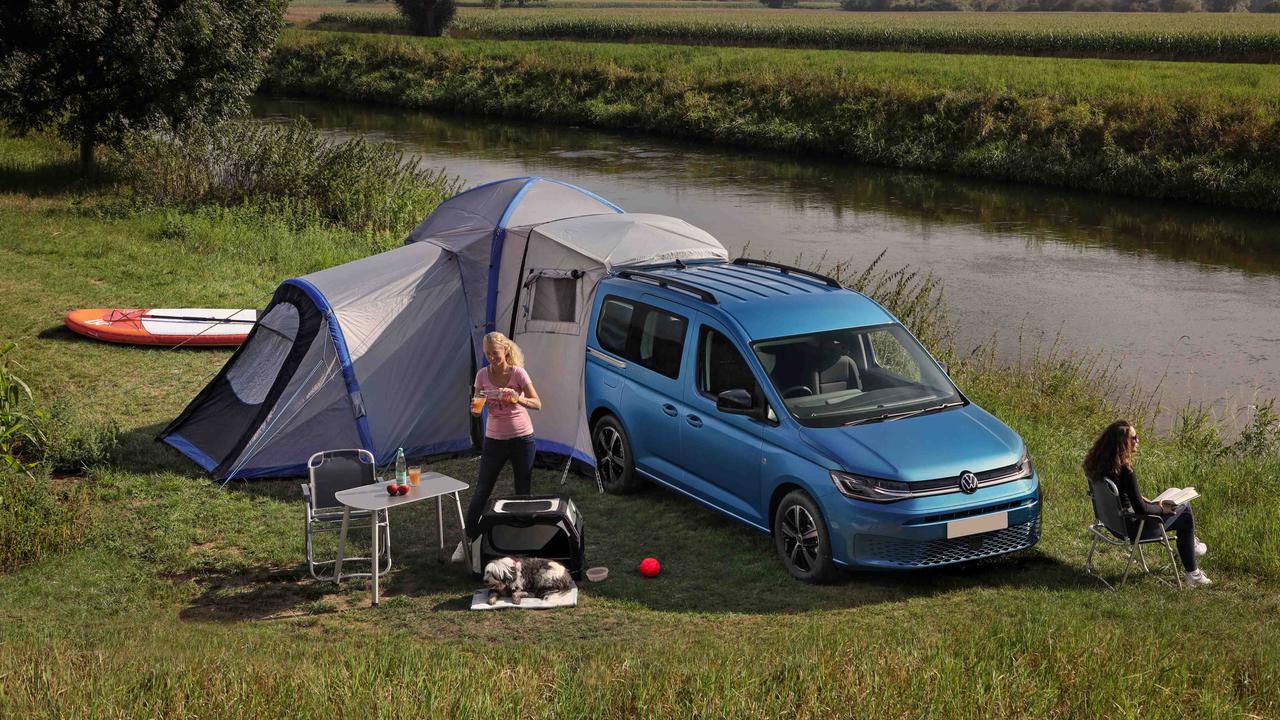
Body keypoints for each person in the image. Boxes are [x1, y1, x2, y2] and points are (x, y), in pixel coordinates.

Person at [1083, 420, 1211, 587]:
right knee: (1185, 511)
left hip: (1112, 523)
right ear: (1122, 443)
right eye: (1134, 438)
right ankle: (1193, 572)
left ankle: (1191, 544)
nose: (1138, 441)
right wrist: (1161, 508)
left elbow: (1123, 496)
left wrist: (1152, 502)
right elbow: (1141, 509)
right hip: (1134, 529)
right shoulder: (1125, 471)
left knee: (1173, 490)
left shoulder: (1098, 465)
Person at [452, 331, 542, 562]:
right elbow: (477, 406)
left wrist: (516, 398)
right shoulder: (482, 375)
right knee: (483, 488)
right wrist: (475, 409)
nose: (492, 357)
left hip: (522, 438)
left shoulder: (518, 373)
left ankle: (524, 538)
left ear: (506, 351)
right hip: (494, 439)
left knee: (523, 490)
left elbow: (537, 403)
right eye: (488, 354)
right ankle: (468, 539)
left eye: (496, 353)